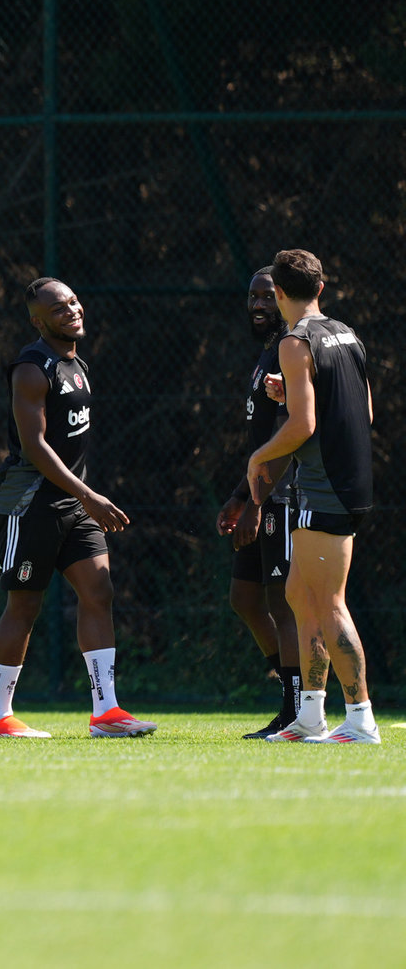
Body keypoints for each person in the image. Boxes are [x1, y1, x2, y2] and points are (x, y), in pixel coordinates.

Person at [0, 277, 154, 739]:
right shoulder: (32, 369)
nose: (72, 311)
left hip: (73, 504)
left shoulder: (78, 365)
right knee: (24, 607)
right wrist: (89, 496)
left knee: (99, 592)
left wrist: (82, 499)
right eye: (58, 309)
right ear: (38, 321)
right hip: (28, 502)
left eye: (74, 301)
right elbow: (34, 447)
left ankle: (106, 712)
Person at [246, 249, 380, 743]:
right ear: (320, 288)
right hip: (340, 482)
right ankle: (310, 715)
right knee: (299, 596)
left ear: (279, 293)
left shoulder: (294, 340)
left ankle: (361, 718)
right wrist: (297, 392)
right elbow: (361, 411)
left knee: (328, 603)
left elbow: (304, 425)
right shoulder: (346, 333)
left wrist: (259, 456)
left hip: (327, 488)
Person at [216, 266, 301, 738]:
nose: (258, 305)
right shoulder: (266, 353)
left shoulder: (292, 351)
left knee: (283, 602)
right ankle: (290, 697)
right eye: (252, 297)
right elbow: (260, 442)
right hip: (258, 492)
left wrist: (258, 503)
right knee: (245, 598)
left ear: (285, 297)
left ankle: (299, 709)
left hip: (282, 494)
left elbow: (288, 440)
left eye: (267, 296)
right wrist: (237, 496)